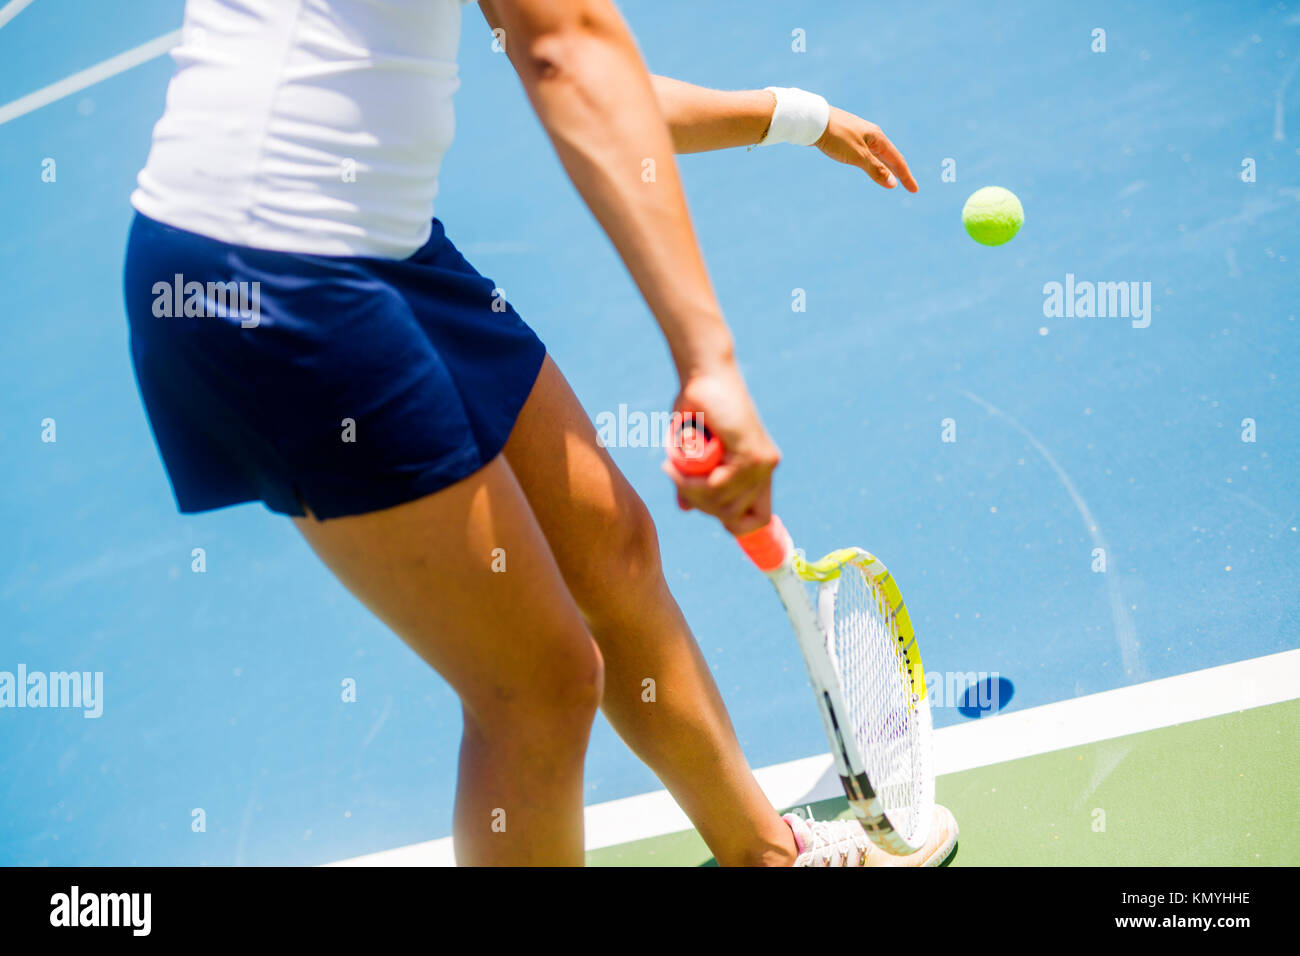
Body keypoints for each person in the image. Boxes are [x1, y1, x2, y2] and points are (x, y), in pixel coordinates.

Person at [123, 0, 957, 866]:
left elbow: (599, 81)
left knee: (613, 547)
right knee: (537, 686)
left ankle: (763, 853)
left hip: (386, 242)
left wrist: (799, 114)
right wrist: (706, 357)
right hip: (264, 271)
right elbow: (568, 53)